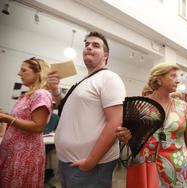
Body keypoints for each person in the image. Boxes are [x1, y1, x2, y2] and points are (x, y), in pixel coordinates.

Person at [47, 31, 126, 188]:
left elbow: (116, 122)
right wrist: (55, 91)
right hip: (69, 162)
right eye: (86, 44)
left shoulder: (109, 78)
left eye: (95, 45)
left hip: (90, 165)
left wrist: (91, 161)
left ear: (105, 55)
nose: (89, 47)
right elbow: (66, 109)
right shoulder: (84, 81)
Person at [116, 63, 187, 188]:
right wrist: (125, 136)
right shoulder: (140, 106)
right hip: (146, 167)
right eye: (173, 76)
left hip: (178, 169)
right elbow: (133, 142)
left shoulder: (182, 107)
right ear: (159, 79)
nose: (178, 81)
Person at [0, 57, 52, 188]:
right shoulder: (26, 95)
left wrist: (7, 119)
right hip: (13, 152)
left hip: (24, 154)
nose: (19, 73)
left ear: (38, 73)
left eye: (24, 70)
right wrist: (6, 115)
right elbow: (22, 119)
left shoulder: (42, 94)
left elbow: (38, 126)